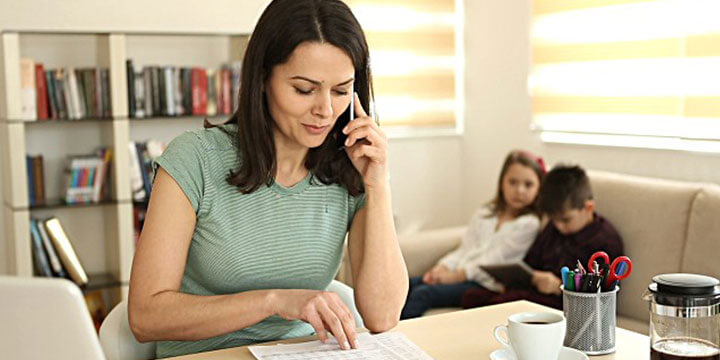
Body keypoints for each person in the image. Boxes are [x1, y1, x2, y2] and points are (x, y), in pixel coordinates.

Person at [127, 0, 408, 357]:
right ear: (262, 79)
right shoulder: (195, 159)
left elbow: (383, 316)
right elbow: (145, 316)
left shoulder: (350, 167)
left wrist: (378, 184)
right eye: (305, 90)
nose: (325, 110)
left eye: (340, 91)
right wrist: (275, 302)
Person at [399, 150, 545, 319]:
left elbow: (494, 261)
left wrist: (454, 276)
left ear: (538, 188)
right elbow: (465, 249)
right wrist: (443, 267)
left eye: (528, 185)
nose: (520, 190)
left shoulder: (529, 224)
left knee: (424, 293)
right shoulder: (485, 213)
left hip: (485, 285)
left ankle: (399, 338)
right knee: (408, 284)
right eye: (513, 182)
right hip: (459, 274)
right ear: (501, 183)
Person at [461, 165, 624, 310]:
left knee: (500, 305)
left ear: (588, 208)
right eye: (554, 219)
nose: (559, 226)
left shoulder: (606, 241)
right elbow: (530, 263)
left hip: (565, 304)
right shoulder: (553, 229)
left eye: (565, 220)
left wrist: (559, 285)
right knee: (472, 297)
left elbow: (603, 300)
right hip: (531, 294)